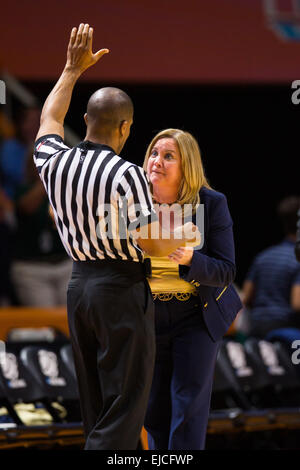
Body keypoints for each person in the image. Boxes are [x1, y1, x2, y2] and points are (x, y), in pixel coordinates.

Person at [33, 24, 199, 450]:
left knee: (97, 407)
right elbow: (148, 243)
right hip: (121, 289)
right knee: (124, 409)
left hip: (78, 288)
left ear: (86, 120)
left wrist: (71, 70)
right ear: (125, 128)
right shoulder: (127, 174)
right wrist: (184, 236)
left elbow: (49, 117)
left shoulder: (53, 161)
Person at [142, 128, 242, 450]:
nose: (157, 161)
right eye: (154, 153)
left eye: (169, 156)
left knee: (187, 409)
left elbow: (226, 271)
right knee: (154, 412)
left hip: (196, 315)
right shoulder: (135, 203)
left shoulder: (211, 203)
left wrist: (190, 259)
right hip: (148, 317)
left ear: (188, 167)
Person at [11, 154, 72, 306]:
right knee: (45, 324)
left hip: (64, 264)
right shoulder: (22, 189)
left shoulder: (65, 190)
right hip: (32, 269)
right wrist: (47, 179)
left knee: (71, 319)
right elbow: (26, 207)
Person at [242, 196, 300, 338]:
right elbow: (297, 304)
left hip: (256, 330)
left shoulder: (263, 257)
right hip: (285, 333)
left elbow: (246, 297)